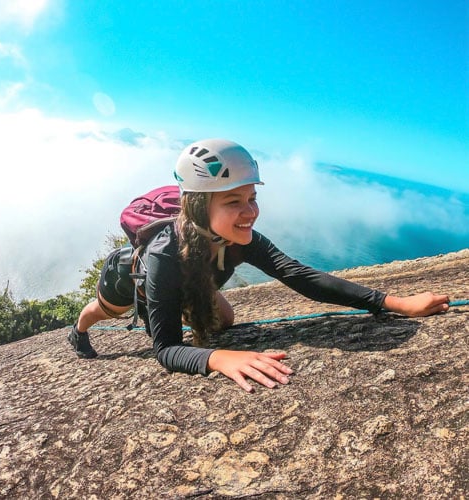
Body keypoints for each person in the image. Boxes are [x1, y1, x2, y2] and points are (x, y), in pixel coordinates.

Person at [68, 138, 450, 392]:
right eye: (234, 201)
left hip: (189, 283)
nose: (250, 212)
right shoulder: (165, 252)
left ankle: (174, 304)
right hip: (126, 280)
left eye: (251, 197)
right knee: (102, 310)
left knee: (226, 321)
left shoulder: (239, 240)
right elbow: (166, 348)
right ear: (199, 206)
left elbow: (299, 276)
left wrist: (394, 303)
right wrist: (219, 359)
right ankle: (77, 332)